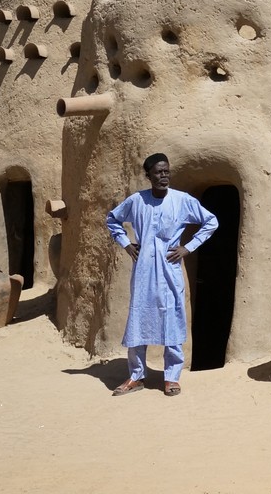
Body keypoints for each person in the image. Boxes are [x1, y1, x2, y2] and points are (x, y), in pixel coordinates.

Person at [106, 152, 218, 397]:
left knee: (173, 317)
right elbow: (112, 219)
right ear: (148, 176)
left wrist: (188, 247)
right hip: (144, 269)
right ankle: (136, 376)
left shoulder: (182, 200)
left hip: (169, 269)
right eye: (158, 172)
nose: (164, 176)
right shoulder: (136, 201)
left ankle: (171, 377)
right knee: (138, 318)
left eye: (166, 171)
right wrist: (126, 243)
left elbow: (211, 222)